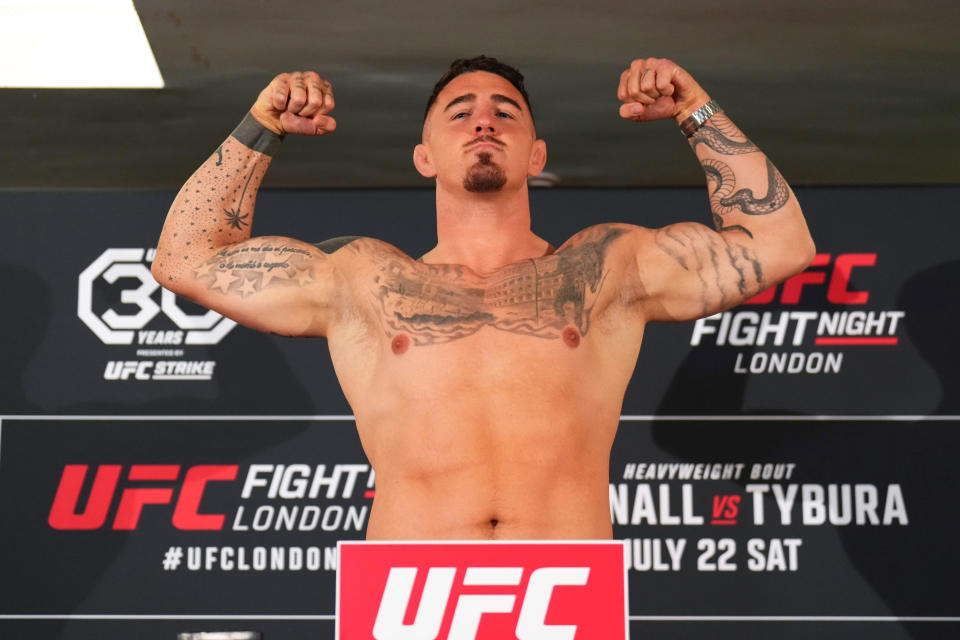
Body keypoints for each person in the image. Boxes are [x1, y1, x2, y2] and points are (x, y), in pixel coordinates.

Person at [152, 56, 815, 540]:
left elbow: (778, 241)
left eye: (506, 113)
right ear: (425, 157)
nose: (484, 122)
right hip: (408, 591)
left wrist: (695, 109)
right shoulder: (362, 280)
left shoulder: (608, 267)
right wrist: (262, 123)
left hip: (565, 591)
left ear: (536, 155)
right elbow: (186, 260)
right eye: (459, 113)